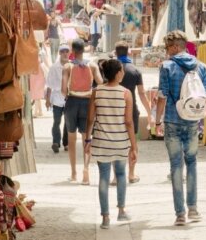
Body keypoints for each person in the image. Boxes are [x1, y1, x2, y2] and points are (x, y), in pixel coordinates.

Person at [154, 30, 206, 226]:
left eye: (167, 48)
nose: (167, 52)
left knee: (175, 166)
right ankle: (193, 209)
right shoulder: (201, 66)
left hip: (173, 121)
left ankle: (180, 214)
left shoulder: (166, 66)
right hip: (192, 121)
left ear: (174, 47)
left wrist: (157, 122)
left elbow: (162, 97)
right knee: (192, 163)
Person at [84, 59, 138, 229]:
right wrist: (134, 146)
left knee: (103, 177)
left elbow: (90, 118)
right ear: (117, 73)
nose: (123, 73)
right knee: (121, 174)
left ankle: (105, 217)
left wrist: (87, 139)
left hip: (101, 142)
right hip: (120, 142)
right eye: (121, 70)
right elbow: (129, 122)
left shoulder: (96, 91)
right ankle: (121, 211)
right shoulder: (125, 93)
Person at [61, 39, 101, 184]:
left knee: (71, 139)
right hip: (87, 102)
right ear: (84, 49)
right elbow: (101, 83)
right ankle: (86, 169)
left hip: (72, 102)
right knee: (87, 138)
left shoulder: (67, 67)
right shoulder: (92, 65)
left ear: (73, 50)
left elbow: (63, 90)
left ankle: (73, 173)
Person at [114, 41, 151, 183]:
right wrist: (149, 113)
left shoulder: (111, 69)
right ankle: (131, 173)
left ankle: (116, 176)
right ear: (128, 52)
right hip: (131, 111)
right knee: (132, 142)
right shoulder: (135, 70)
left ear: (116, 53)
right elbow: (141, 93)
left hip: (114, 110)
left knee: (115, 142)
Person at [45, 44, 71, 153]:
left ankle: (66, 143)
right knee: (56, 121)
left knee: (68, 122)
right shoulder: (54, 67)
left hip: (69, 98)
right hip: (56, 98)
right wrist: (47, 99)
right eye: (63, 51)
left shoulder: (72, 66)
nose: (65, 53)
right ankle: (56, 142)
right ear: (59, 53)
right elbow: (49, 84)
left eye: (67, 51)